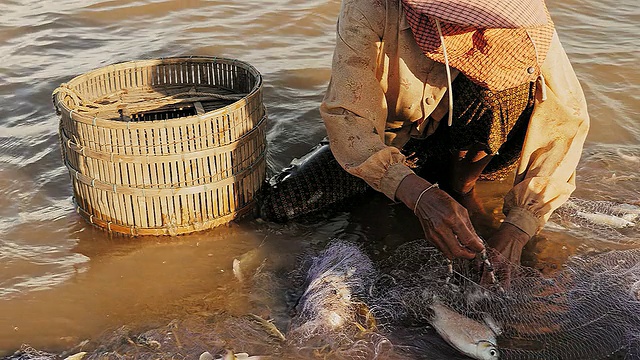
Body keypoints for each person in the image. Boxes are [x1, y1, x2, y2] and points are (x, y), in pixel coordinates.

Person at [320, 0, 590, 264]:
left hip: (479, 146)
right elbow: (347, 115)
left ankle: (463, 188)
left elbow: (567, 117)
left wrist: (518, 228)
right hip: (394, 142)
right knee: (285, 204)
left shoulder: (527, 19)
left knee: (507, 87)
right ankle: (422, 188)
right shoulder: (370, 7)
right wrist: (414, 192)